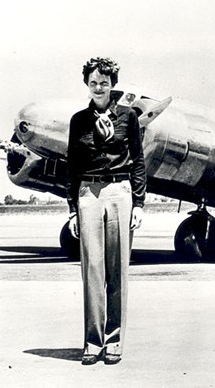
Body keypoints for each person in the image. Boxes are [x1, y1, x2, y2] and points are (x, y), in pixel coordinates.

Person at [66, 57, 146, 365]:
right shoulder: (78, 121)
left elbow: (138, 161)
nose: (98, 87)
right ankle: (92, 342)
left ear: (112, 84)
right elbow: (72, 166)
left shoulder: (128, 117)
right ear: (86, 84)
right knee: (92, 271)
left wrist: (138, 204)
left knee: (117, 271)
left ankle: (114, 342)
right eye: (93, 83)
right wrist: (73, 208)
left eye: (104, 82)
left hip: (119, 192)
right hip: (88, 192)